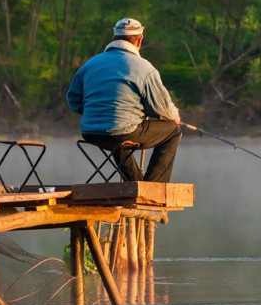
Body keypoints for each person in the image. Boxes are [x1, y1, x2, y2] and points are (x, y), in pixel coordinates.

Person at [66, 18, 182, 182]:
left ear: (114, 38)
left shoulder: (90, 64)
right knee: (173, 130)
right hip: (120, 132)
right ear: (139, 39)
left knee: (120, 131)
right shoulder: (143, 67)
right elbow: (163, 108)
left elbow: (73, 100)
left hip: (90, 133)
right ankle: (154, 187)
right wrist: (175, 116)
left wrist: (96, 112)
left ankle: (135, 183)